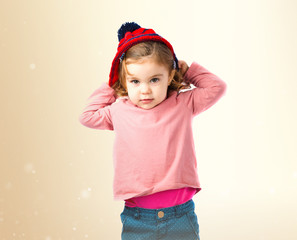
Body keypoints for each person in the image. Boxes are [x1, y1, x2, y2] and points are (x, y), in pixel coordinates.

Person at [78, 22, 227, 240]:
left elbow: (217, 87)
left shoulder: (183, 104)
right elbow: (87, 116)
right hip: (138, 217)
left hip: (180, 215)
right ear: (124, 81)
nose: (145, 90)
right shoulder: (119, 110)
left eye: (155, 79)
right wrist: (112, 84)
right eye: (135, 81)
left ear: (170, 76)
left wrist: (187, 71)